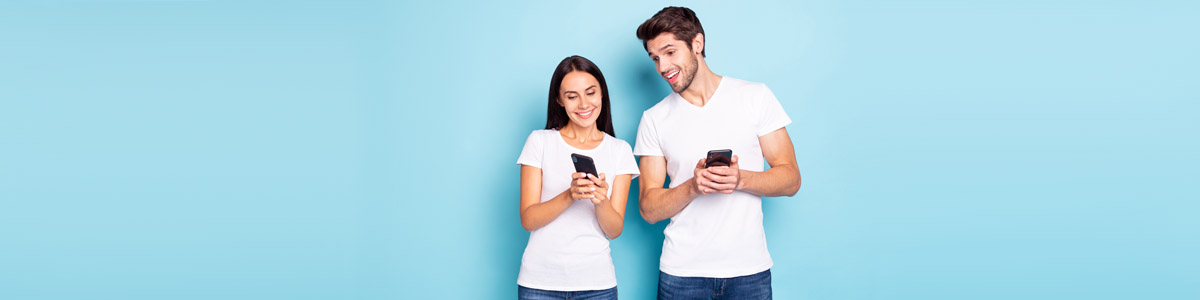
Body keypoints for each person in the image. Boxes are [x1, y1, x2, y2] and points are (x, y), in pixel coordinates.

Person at [632, 7, 802, 300]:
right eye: (655, 58)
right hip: (682, 275)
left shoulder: (754, 96)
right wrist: (693, 187)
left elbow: (790, 179)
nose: (662, 67)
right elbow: (648, 208)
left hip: (749, 272)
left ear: (697, 44)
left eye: (670, 52)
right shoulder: (654, 119)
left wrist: (739, 180)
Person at [516, 55, 640, 300]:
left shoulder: (620, 150)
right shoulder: (539, 141)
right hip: (539, 283)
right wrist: (570, 195)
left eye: (590, 93)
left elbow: (614, 230)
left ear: (602, 94)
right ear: (559, 100)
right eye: (572, 96)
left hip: (597, 283)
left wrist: (600, 200)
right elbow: (528, 220)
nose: (584, 104)